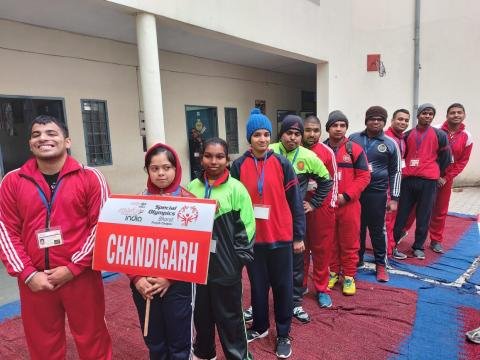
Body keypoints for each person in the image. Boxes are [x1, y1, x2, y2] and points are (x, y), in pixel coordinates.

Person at [0, 115, 112, 359]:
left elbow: (102, 227)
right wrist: (27, 273)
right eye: (36, 134)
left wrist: (72, 268)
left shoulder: (91, 177)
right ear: (30, 144)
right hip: (35, 279)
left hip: (81, 276)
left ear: (67, 141)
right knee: (42, 346)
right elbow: (5, 231)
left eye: (51, 133)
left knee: (93, 337)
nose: (43, 138)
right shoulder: (12, 181)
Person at [231, 109, 304, 358]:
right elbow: (233, 202)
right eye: (257, 135)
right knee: (258, 287)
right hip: (253, 240)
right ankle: (260, 327)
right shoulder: (239, 165)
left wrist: (298, 236)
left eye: (266, 134)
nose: (262, 139)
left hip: (281, 237)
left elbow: (295, 202)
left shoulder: (282, 163)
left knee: (283, 288)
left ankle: (283, 333)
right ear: (249, 138)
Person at [187, 138, 255, 360]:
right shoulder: (192, 187)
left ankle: (238, 356)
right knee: (201, 317)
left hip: (226, 270)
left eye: (219, 157)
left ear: (227, 160)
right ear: (201, 157)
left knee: (231, 321)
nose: (213, 161)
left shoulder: (237, 189)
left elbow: (248, 229)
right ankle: (205, 354)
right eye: (208, 156)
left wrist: (236, 262)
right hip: (198, 270)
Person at [129, 143, 194, 359]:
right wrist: (137, 279)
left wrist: (170, 278)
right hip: (144, 284)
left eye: (166, 167)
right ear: (147, 170)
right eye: (154, 168)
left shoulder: (191, 204)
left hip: (177, 285)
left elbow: (197, 249)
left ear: (176, 168)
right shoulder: (136, 203)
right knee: (155, 343)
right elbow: (126, 246)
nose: (161, 173)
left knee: (179, 343)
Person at [270, 115, 332, 323]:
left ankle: (295, 302)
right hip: (270, 220)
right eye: (289, 133)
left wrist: (314, 204)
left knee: (297, 262)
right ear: (282, 134)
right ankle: (263, 302)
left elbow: (326, 181)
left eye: (297, 134)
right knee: (268, 261)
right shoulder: (268, 151)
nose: (293, 138)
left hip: (295, 219)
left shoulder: (309, 157)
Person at [393, 104, 452, 260]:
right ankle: (393, 242)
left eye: (430, 114)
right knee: (402, 213)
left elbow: (446, 158)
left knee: (424, 215)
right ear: (418, 115)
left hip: (428, 181)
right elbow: (401, 156)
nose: (427, 116)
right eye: (424, 113)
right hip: (408, 180)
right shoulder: (407, 134)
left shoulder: (440, 135)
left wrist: (436, 171)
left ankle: (418, 246)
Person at [349, 106, 401, 282]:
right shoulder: (353, 138)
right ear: (366, 120)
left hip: (377, 194)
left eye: (380, 119)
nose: (376, 121)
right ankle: (357, 260)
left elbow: (396, 173)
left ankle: (380, 264)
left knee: (377, 231)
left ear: (384, 122)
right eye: (372, 118)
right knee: (357, 228)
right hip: (356, 192)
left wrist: (394, 199)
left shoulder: (390, 143)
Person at [324, 111, 370, 295]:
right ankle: (333, 272)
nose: (339, 129)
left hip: (349, 205)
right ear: (328, 128)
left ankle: (349, 276)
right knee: (330, 242)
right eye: (335, 125)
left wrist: (347, 195)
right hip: (327, 205)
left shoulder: (354, 149)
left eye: (342, 125)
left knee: (350, 241)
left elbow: (364, 176)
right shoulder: (321, 150)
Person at [302, 115, 338, 307]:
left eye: (316, 130)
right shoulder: (292, 151)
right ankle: (300, 285)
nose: (312, 134)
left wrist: (330, 204)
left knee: (321, 250)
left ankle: (322, 288)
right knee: (299, 248)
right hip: (298, 208)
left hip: (321, 208)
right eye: (308, 130)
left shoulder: (326, 152)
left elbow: (334, 182)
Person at [428, 103, 473, 253]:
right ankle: (402, 233)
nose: (456, 115)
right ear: (447, 115)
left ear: (464, 115)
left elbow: (462, 161)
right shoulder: (435, 129)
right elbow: (426, 153)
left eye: (459, 112)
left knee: (440, 210)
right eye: (452, 113)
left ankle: (435, 240)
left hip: (445, 179)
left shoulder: (467, 136)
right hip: (428, 175)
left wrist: (446, 178)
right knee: (416, 207)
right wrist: (433, 174)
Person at [384, 109, 411, 259]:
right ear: (392, 120)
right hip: (386, 186)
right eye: (400, 119)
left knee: (392, 219)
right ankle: (388, 250)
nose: (403, 122)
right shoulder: (386, 138)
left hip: (396, 184)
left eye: (406, 120)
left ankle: (389, 247)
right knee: (388, 220)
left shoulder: (402, 138)